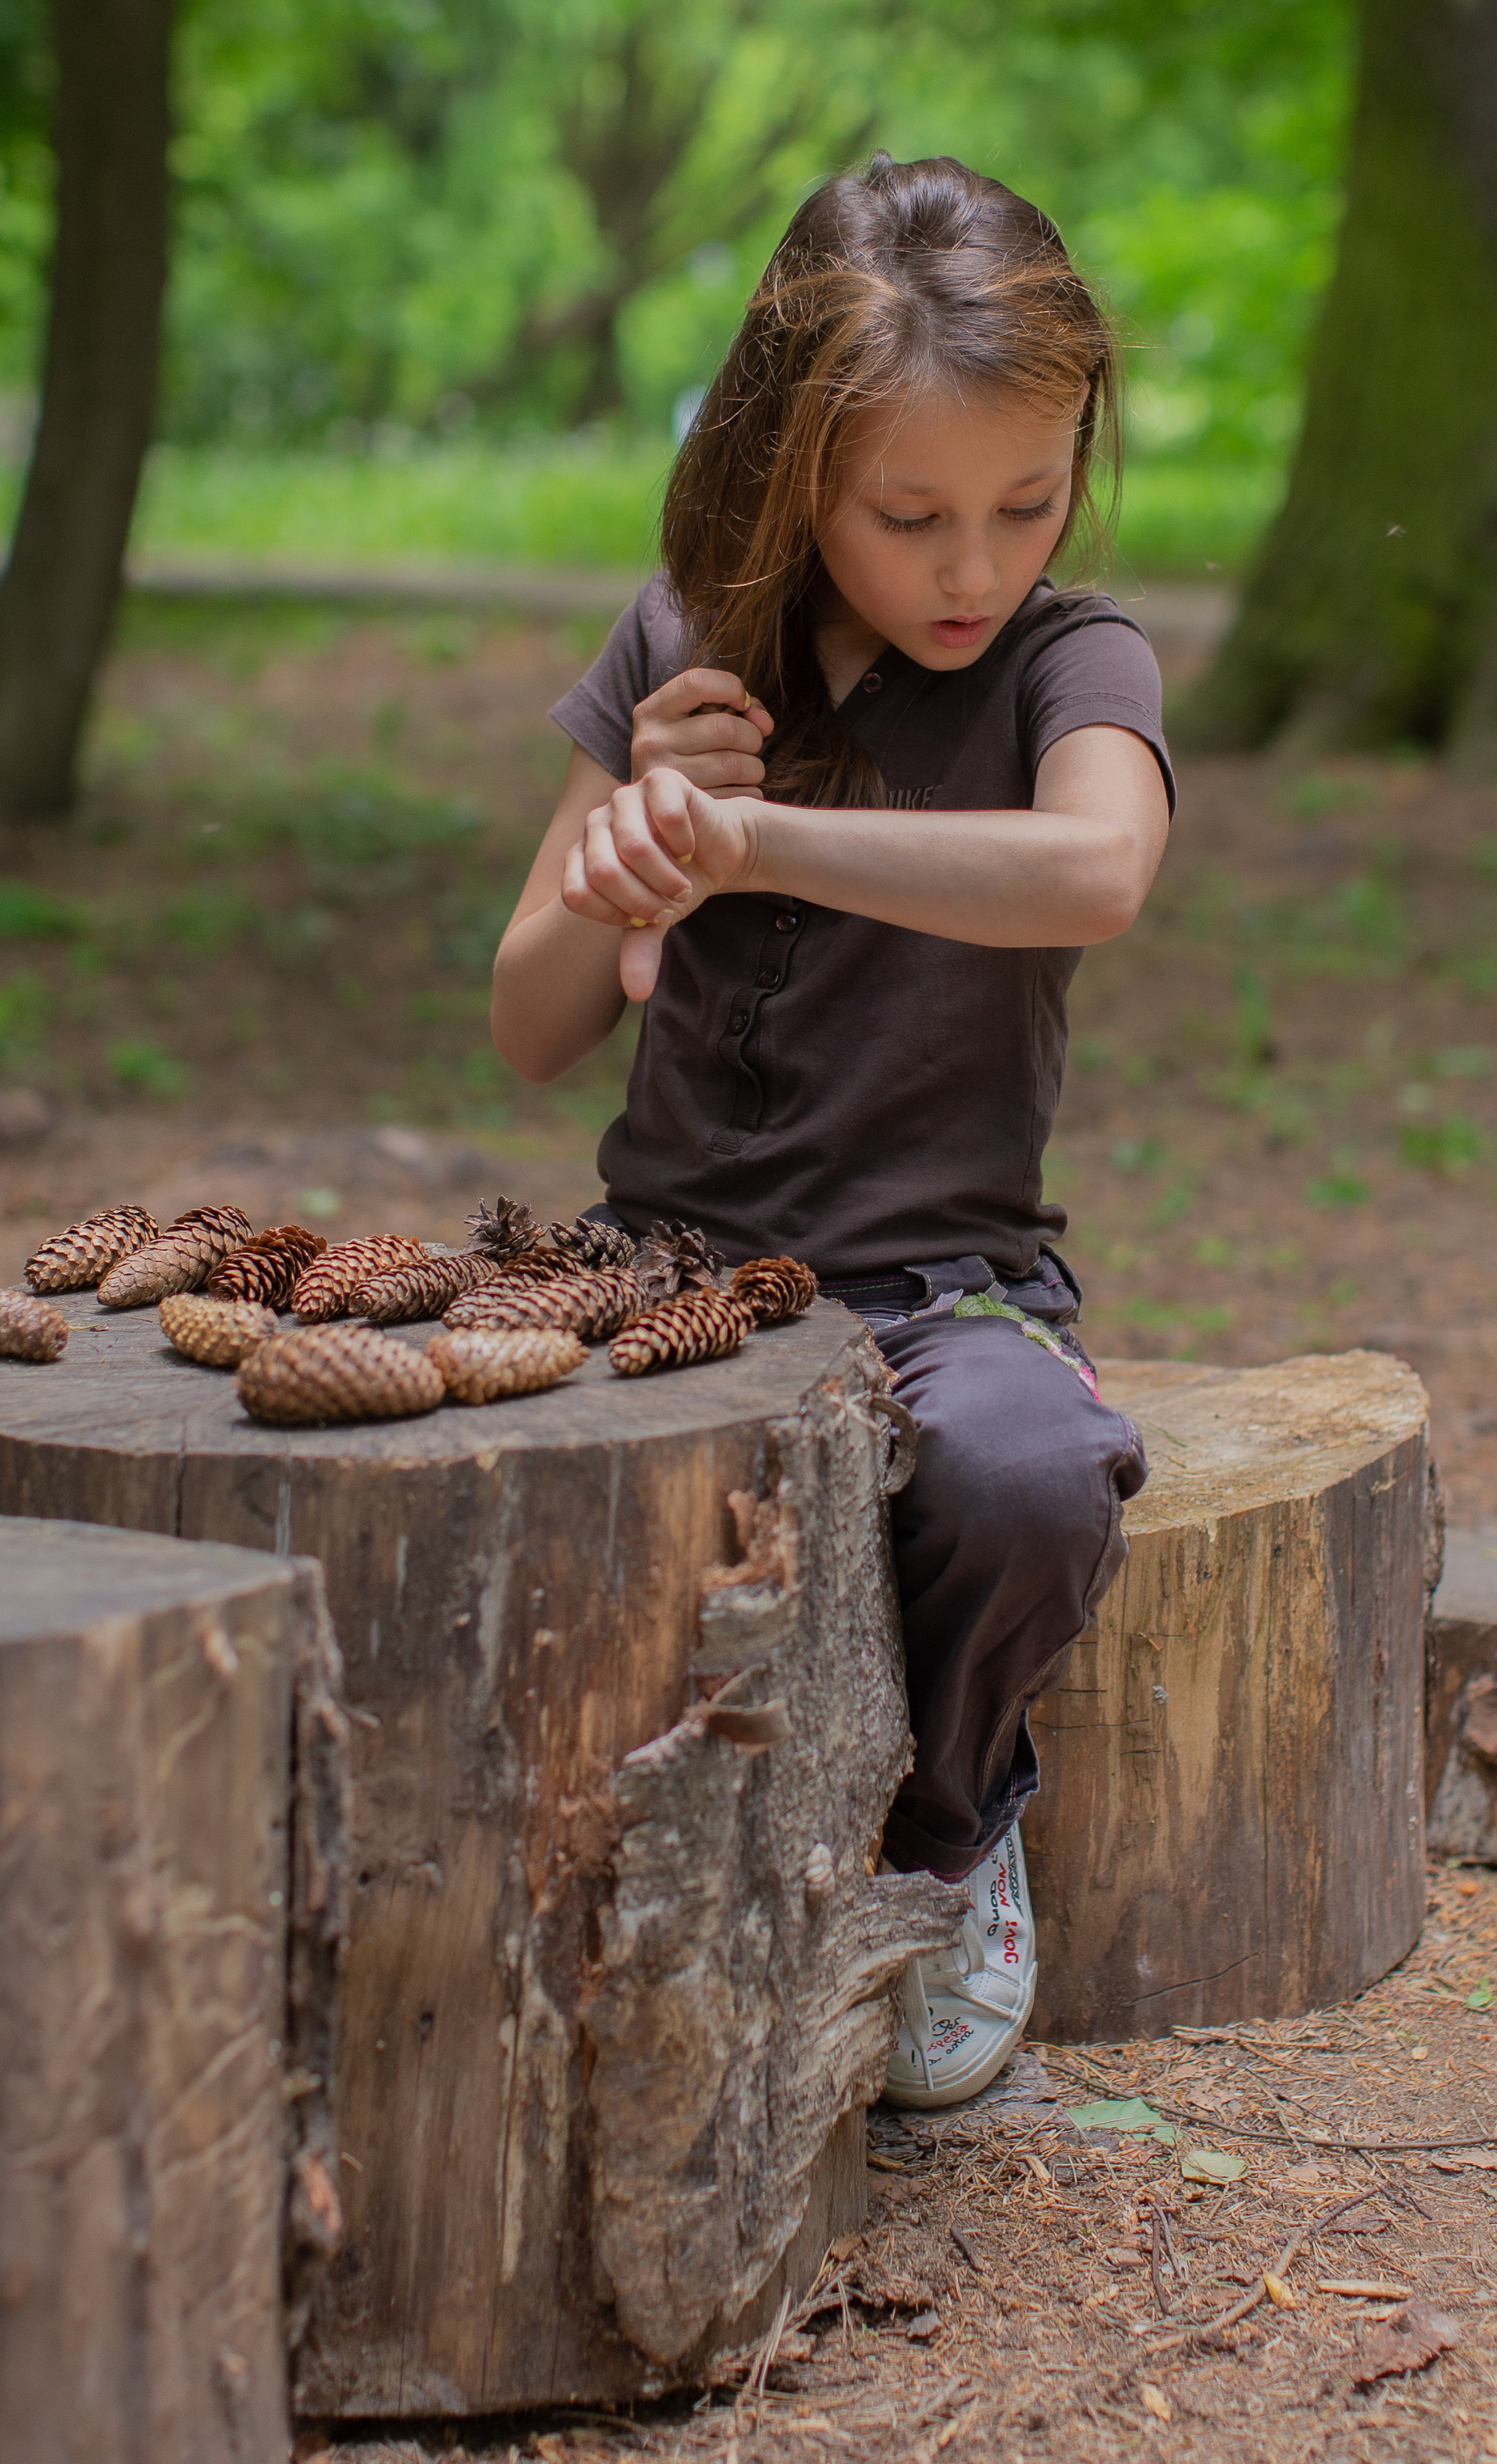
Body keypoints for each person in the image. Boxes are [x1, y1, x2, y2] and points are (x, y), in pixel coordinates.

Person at [490, 151, 1172, 2109]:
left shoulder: (1074, 662)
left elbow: (1095, 873)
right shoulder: (685, 644)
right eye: (913, 515)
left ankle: (953, 1839)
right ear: (798, 472)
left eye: (1024, 504)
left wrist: (761, 837)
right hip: (665, 1269)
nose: (976, 565)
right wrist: (635, 854)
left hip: (942, 1283)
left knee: (1033, 1476)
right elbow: (532, 1021)